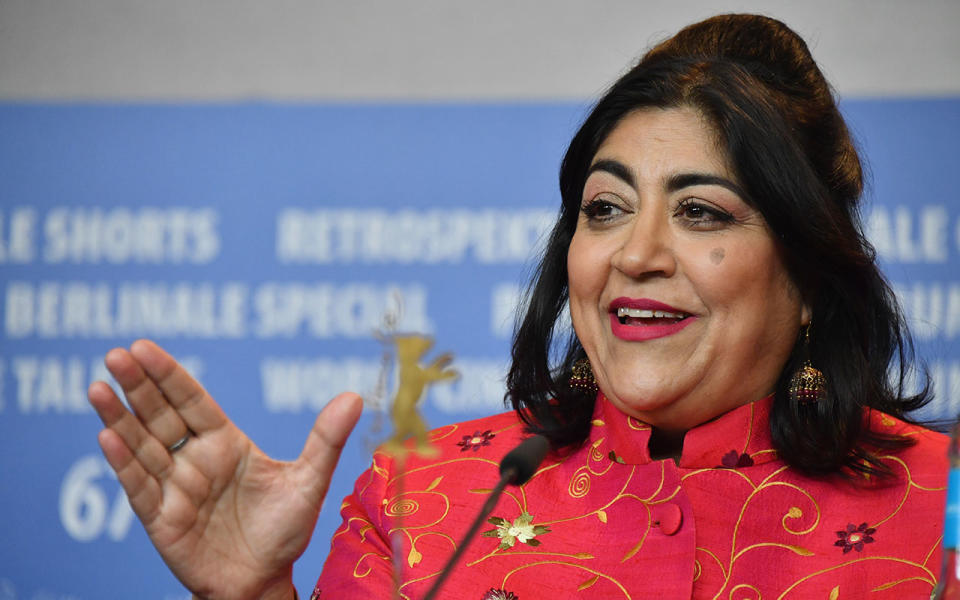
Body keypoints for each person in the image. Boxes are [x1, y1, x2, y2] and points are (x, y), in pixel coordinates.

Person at [88, 13, 947, 600]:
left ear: (806, 278)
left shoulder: (941, 513)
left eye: (700, 212)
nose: (635, 254)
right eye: (605, 209)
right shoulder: (419, 501)